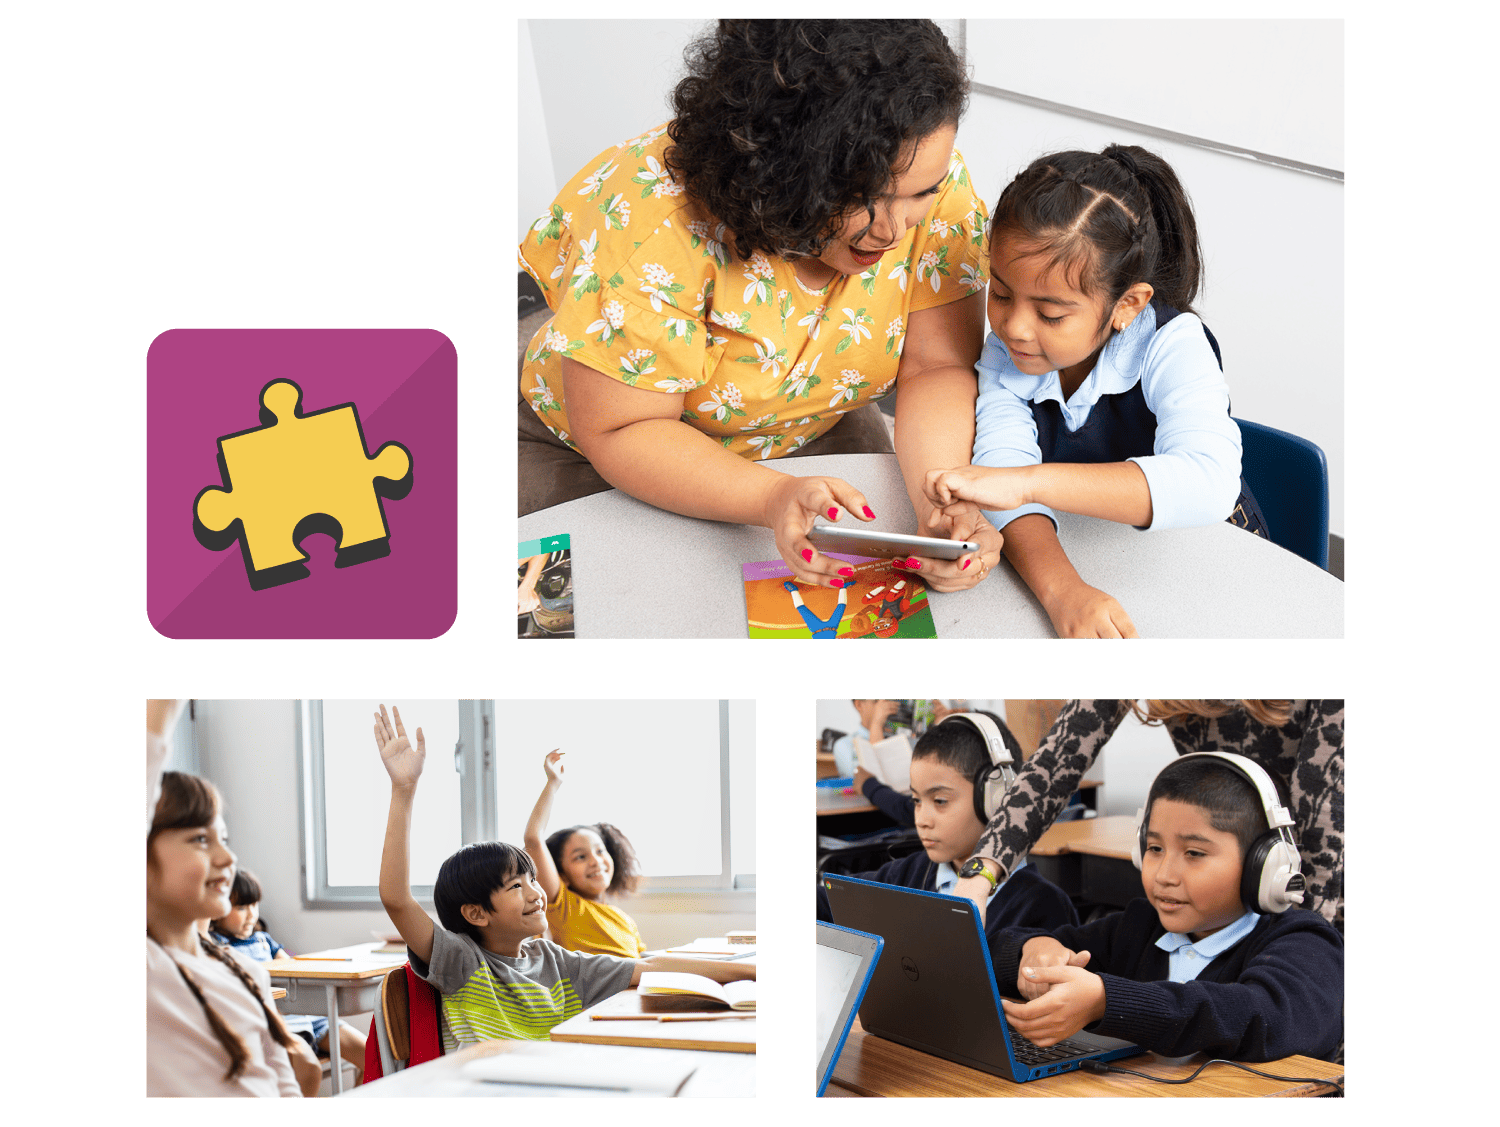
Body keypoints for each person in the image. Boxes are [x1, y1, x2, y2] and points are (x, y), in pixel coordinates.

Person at [517, 19, 1003, 592]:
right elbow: (626, 427)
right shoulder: (651, 224)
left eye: (919, 194)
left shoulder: (934, 185)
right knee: (617, 609)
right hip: (603, 440)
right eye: (859, 198)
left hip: (809, 421)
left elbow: (936, 366)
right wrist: (768, 496)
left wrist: (937, 504)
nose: (893, 231)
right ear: (778, 167)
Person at [924, 146, 1266, 638]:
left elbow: (1207, 482)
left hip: (1205, 564)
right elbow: (1002, 468)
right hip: (1099, 556)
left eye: (1051, 314)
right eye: (999, 293)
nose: (1013, 327)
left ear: (1127, 304)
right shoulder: (1010, 349)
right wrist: (1063, 590)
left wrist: (1027, 482)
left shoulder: (1173, 344)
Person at [373, 705, 753, 1050]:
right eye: (516, 886)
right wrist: (403, 789)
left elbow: (649, 968)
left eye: (533, 879)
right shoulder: (462, 961)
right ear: (475, 913)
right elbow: (396, 899)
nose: (536, 893)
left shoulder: (553, 960)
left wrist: (752, 971)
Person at [988, 754, 1343, 1061]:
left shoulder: (1305, 942)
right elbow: (998, 950)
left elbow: (1257, 1016)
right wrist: (1034, 950)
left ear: (1261, 866)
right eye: (1155, 848)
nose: (1164, 875)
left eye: (1194, 854)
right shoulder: (1140, 927)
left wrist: (1107, 1001)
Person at [953, 700, 1345, 929]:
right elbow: (1052, 768)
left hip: (1314, 881)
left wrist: (1302, 955)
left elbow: (1321, 839)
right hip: (1242, 877)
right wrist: (981, 874)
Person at [146, 700, 304, 1097]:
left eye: (225, 839)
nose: (228, 858)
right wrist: (161, 712)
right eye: (200, 839)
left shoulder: (247, 973)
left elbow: (282, 1088)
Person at [818, 714, 1075, 939]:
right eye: (916, 800)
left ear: (997, 799)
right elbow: (829, 901)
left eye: (940, 801)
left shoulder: (1043, 905)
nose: (921, 819)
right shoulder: (908, 875)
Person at [210, 869, 368, 1085]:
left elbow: (292, 967)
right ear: (216, 909)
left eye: (254, 905)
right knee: (309, 1070)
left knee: (372, 1057)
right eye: (241, 907)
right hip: (278, 1023)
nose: (251, 914)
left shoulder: (263, 940)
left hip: (311, 1018)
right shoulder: (217, 945)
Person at [522, 749, 646, 957]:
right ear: (561, 876)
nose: (596, 861)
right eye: (580, 856)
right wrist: (553, 783)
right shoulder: (564, 907)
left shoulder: (623, 918)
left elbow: (642, 959)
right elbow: (533, 838)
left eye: (600, 851)